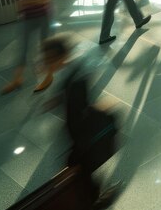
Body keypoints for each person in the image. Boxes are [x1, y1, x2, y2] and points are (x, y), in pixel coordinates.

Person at [42, 34, 121, 209]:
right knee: (82, 172)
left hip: (81, 139)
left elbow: (79, 117)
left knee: (79, 169)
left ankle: (96, 200)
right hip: (78, 137)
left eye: (48, 59)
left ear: (61, 57)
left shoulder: (76, 82)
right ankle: (95, 194)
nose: (45, 63)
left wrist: (77, 150)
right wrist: (57, 100)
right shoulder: (70, 71)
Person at [1, 0, 53, 94]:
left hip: (43, 17)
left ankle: (48, 76)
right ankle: (17, 79)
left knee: (45, 46)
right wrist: (21, 9)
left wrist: (28, 1)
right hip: (27, 18)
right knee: (22, 49)